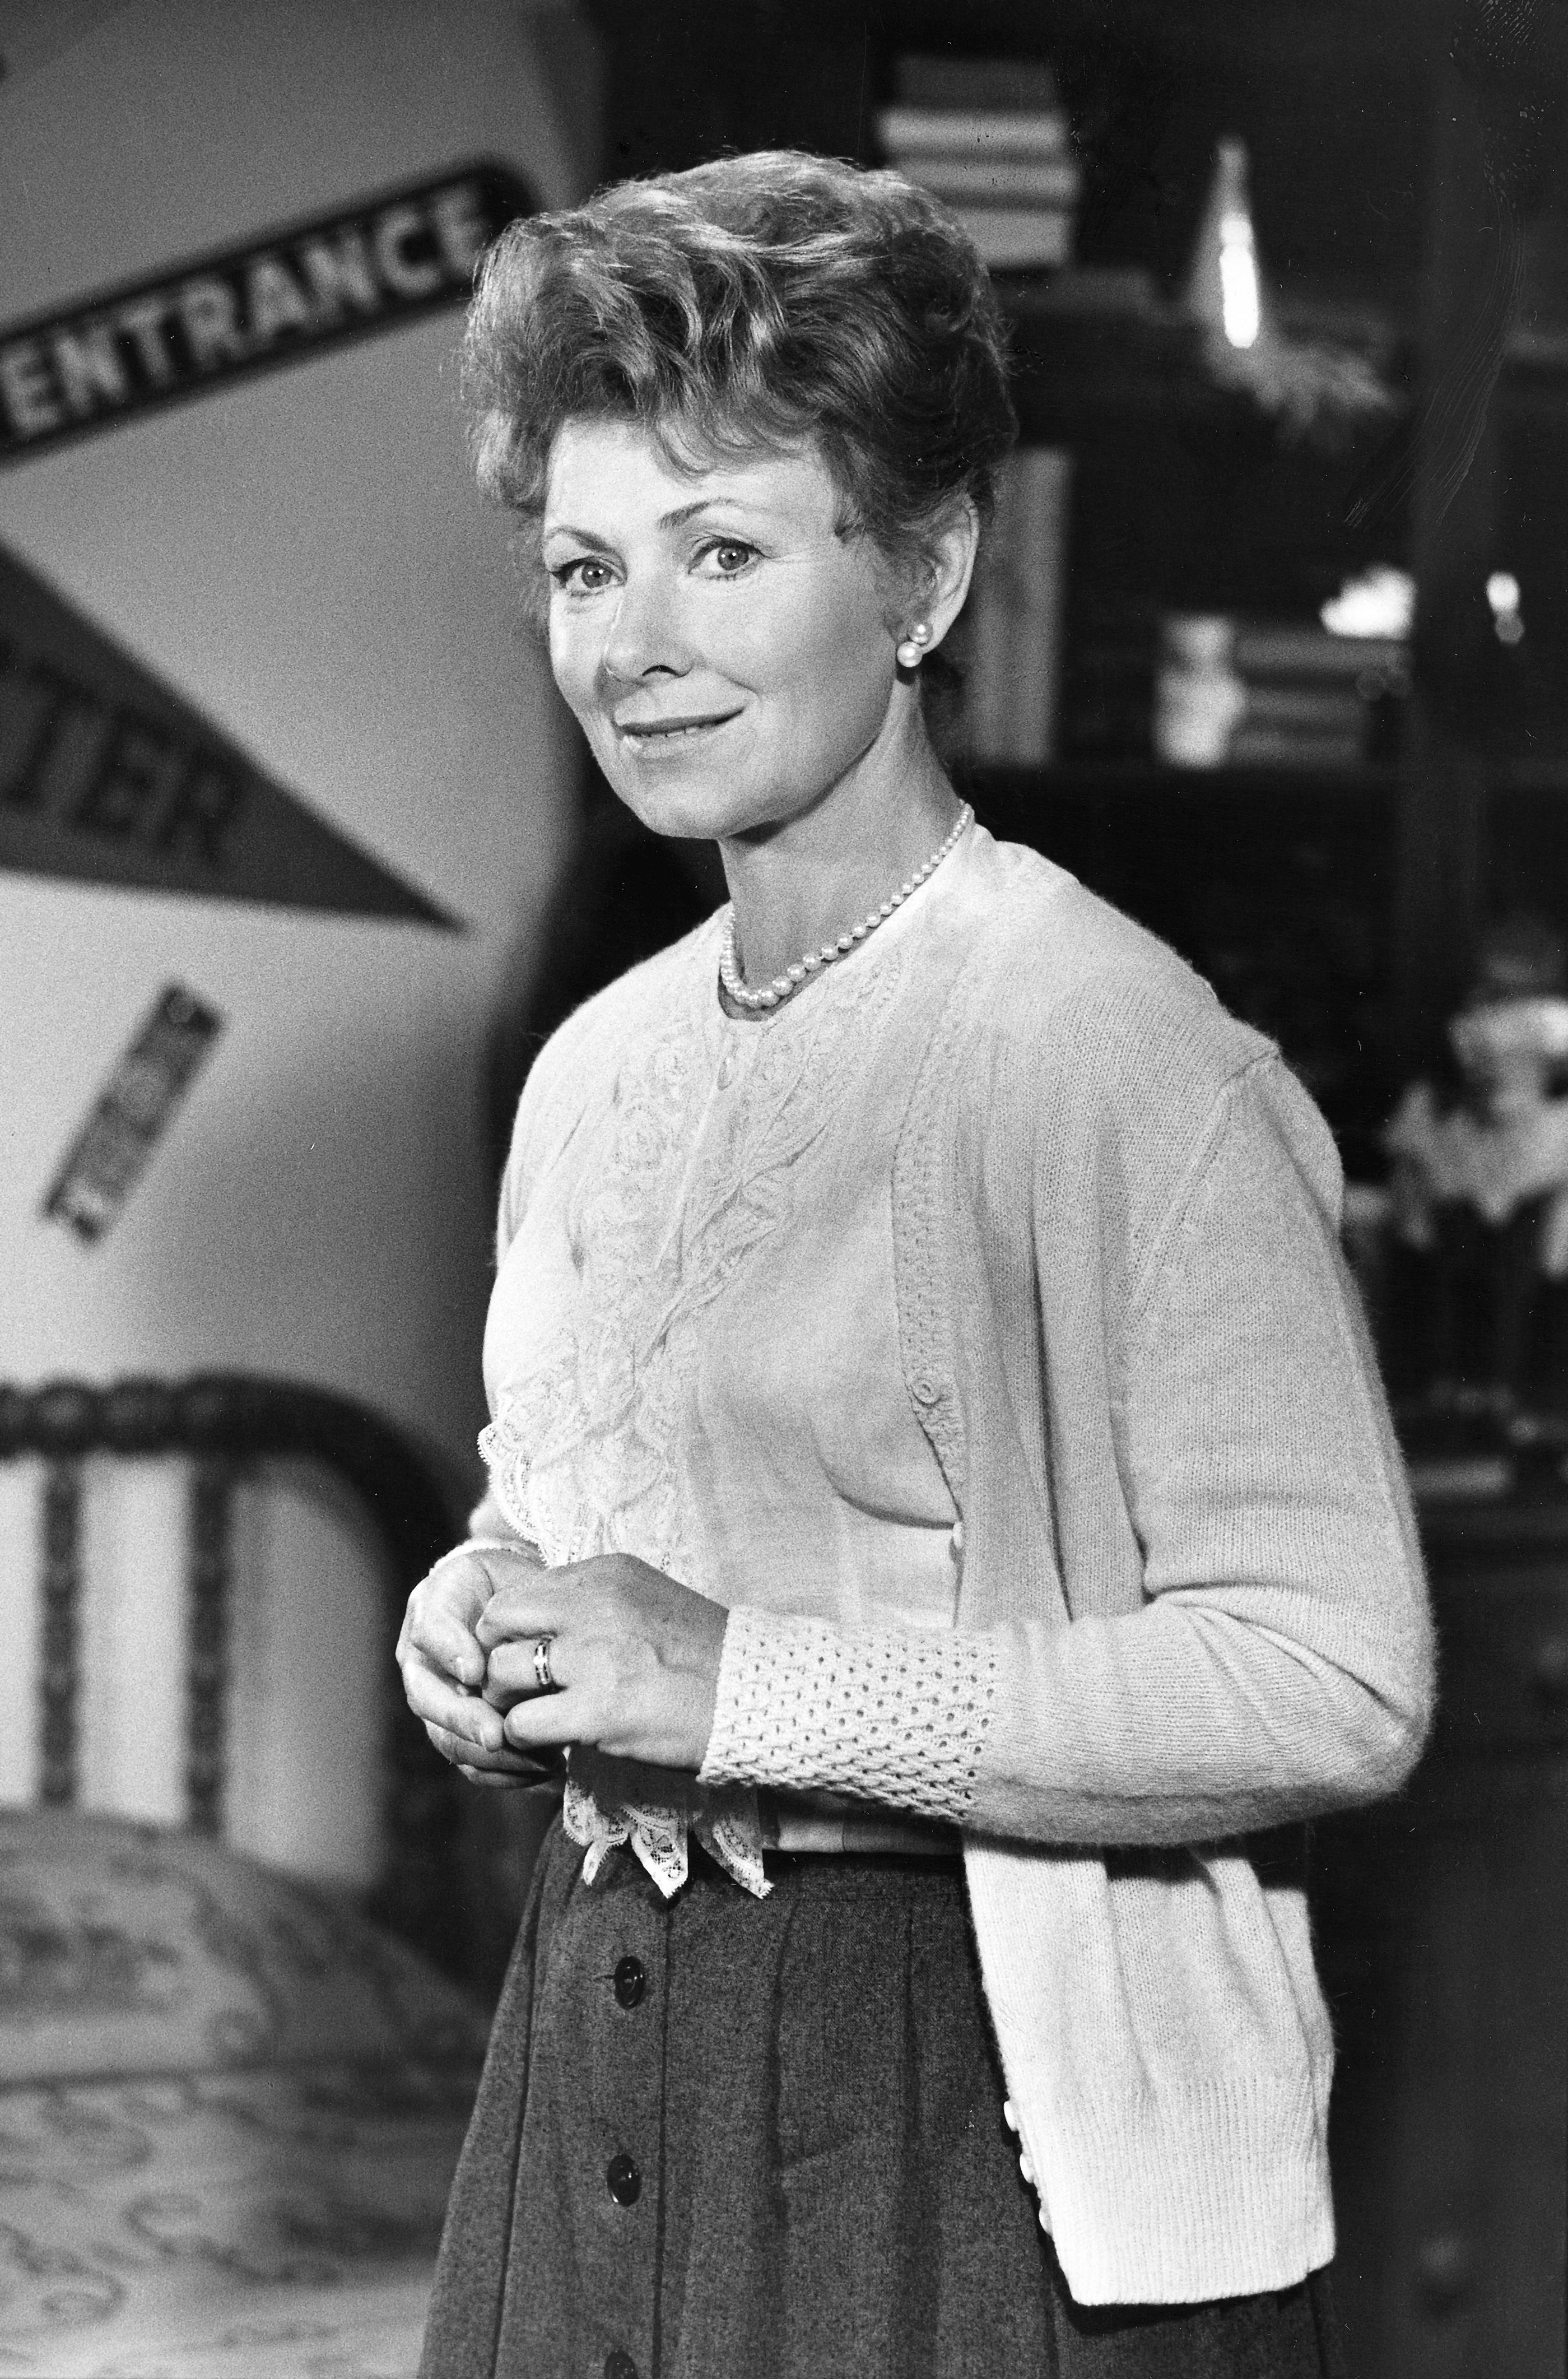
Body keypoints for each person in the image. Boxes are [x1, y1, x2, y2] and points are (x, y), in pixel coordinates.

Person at [398, 150, 1434, 2379]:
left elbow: (1339, 1673)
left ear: (929, 576)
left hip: (969, 2108)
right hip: (594, 2044)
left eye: (723, 551)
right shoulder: (593, 1069)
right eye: (583, 564)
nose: (630, 641)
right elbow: (586, 1520)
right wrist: (479, 1630)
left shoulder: (1117, 1056)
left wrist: (742, 1689)